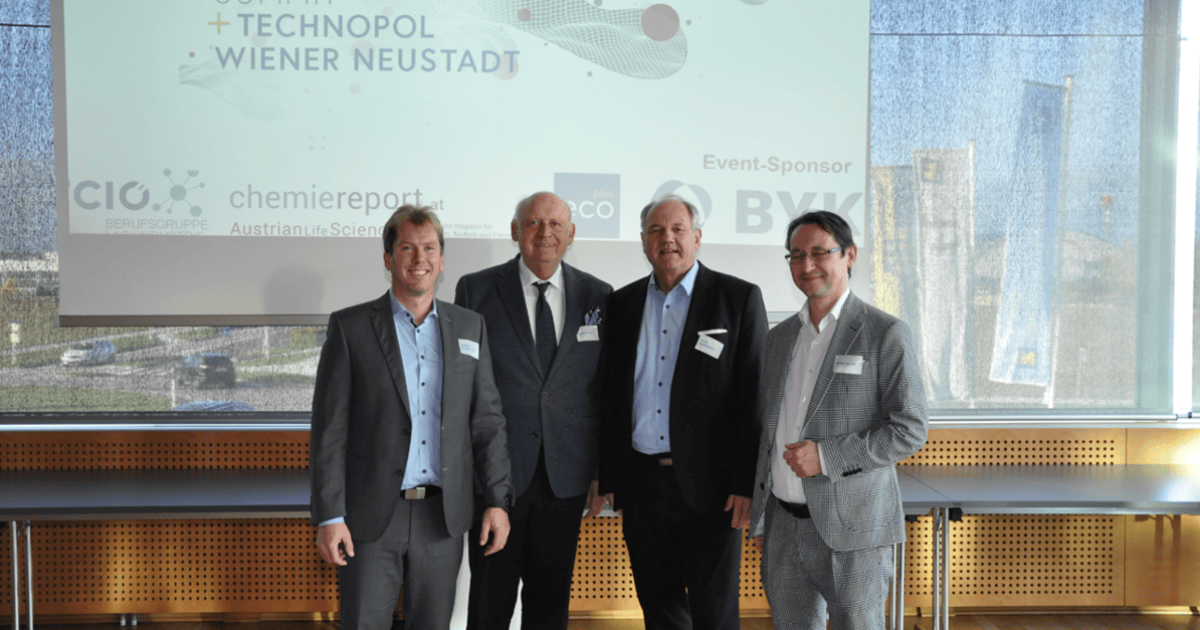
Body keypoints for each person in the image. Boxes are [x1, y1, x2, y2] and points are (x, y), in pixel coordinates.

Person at [309, 205, 514, 630]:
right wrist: (330, 516)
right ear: (388, 259)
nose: (420, 258)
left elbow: (487, 422)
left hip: (441, 518)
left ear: (442, 259)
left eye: (429, 248)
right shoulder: (350, 328)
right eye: (407, 248)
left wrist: (498, 501)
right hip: (370, 517)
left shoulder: (469, 327)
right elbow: (329, 432)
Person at [748, 211, 929, 630]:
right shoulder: (778, 339)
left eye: (819, 252)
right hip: (783, 528)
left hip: (855, 532)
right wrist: (762, 516)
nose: (806, 265)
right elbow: (768, 434)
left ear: (849, 255)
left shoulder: (885, 333)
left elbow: (910, 428)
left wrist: (826, 457)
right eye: (796, 255)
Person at [599, 195, 767, 630]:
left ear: (697, 237)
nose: (667, 239)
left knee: (715, 614)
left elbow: (753, 398)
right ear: (643, 241)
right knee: (659, 610)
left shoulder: (738, 298)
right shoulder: (622, 303)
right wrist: (611, 475)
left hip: (713, 489)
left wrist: (745, 484)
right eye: (656, 231)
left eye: (677, 229)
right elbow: (611, 395)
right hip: (642, 486)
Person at [454, 191, 613, 630]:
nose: (545, 233)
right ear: (514, 231)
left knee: (549, 605)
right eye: (533, 223)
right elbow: (463, 386)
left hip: (566, 478)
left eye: (556, 224)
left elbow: (604, 390)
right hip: (497, 477)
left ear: (571, 233)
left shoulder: (599, 295)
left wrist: (602, 472)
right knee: (489, 603)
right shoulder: (476, 290)